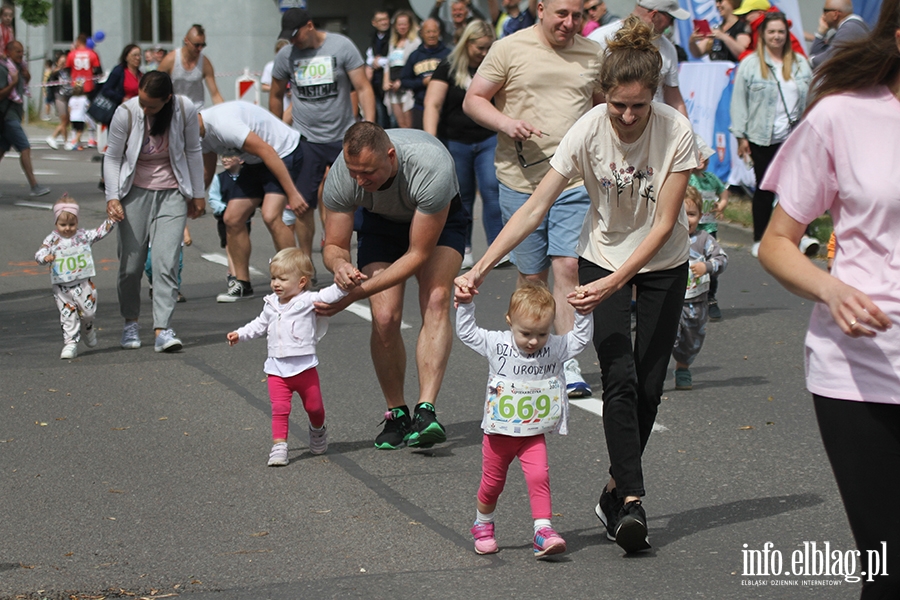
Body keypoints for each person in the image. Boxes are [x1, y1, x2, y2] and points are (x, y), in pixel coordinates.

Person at [456, 18, 698, 554]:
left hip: (660, 262)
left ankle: (613, 488)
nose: (628, 117)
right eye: (618, 106)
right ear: (603, 96)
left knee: (651, 385)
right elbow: (535, 205)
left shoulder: (675, 131)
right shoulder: (588, 129)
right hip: (600, 257)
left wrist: (618, 281)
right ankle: (633, 501)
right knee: (619, 377)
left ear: (652, 97)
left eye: (638, 106)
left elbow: (663, 226)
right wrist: (480, 266)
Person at [758, 1, 900, 595]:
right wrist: (831, 286)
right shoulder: (841, 116)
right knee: (889, 569)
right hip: (862, 368)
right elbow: (776, 243)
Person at [463, 0, 602, 399]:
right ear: (541, 9)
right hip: (520, 180)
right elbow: (474, 99)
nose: (570, 23)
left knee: (568, 265)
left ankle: (567, 357)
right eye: (562, 14)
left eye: (577, 15)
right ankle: (530, 350)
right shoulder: (509, 48)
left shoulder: (593, 54)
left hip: (572, 181)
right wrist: (507, 123)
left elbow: (600, 110)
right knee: (530, 275)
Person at [317, 122, 467, 450]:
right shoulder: (344, 173)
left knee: (437, 298)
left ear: (391, 156)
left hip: (436, 222)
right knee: (384, 316)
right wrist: (340, 264)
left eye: (368, 172)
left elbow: (417, 255)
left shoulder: (430, 165)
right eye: (354, 172)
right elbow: (333, 245)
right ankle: (396, 413)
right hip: (381, 225)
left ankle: (426, 411)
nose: (359, 180)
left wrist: (352, 295)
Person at [456, 282, 592, 557]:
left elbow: (580, 339)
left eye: (542, 333)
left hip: (532, 433)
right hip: (498, 435)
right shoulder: (497, 344)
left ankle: (543, 530)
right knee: (493, 484)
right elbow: (467, 333)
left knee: (539, 475)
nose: (534, 341)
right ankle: (483, 524)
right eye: (526, 333)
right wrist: (466, 305)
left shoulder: (554, 347)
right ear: (509, 322)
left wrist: (583, 313)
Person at [103, 71, 205, 353]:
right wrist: (112, 197)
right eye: (142, 102)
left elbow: (194, 151)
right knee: (131, 266)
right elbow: (112, 157)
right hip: (134, 191)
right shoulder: (126, 113)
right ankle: (130, 323)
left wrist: (198, 194)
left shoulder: (184, 109)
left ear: (167, 99)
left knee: (166, 261)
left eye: (151, 105)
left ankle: (162, 329)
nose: (145, 109)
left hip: (172, 192)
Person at [270, 8, 376, 264]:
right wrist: (277, 130)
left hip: (343, 137)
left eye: (296, 35)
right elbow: (274, 94)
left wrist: (370, 127)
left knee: (357, 197)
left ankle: (355, 256)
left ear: (309, 26)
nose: (293, 41)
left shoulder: (341, 45)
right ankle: (307, 262)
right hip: (306, 140)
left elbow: (362, 87)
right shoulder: (286, 55)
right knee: (303, 204)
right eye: (289, 37)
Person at [228, 248, 352, 466]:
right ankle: (279, 446)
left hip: (305, 368)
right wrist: (240, 334)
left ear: (301, 282)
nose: (276, 283)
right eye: (273, 278)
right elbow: (259, 325)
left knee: (314, 407)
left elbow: (331, 294)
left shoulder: (308, 301)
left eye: (282, 279)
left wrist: (346, 283)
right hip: (276, 368)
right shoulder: (271, 304)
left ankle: (317, 430)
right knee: (279, 409)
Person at [198, 101, 306, 303]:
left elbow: (268, 151)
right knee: (232, 217)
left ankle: (297, 280)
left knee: (271, 215)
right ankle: (242, 283)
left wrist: (292, 193)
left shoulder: (223, 125)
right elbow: (208, 168)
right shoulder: (199, 133)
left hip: (283, 152)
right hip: (256, 161)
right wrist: (197, 199)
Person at [730, 11, 812, 258]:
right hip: (761, 136)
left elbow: (810, 101)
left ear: (787, 35)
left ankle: (797, 236)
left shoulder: (799, 63)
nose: (777, 37)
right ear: (763, 35)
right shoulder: (751, 65)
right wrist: (741, 136)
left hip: (792, 137)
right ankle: (760, 237)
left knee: (794, 190)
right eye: (772, 32)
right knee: (765, 188)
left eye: (781, 32)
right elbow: (739, 102)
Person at [424, 20, 502, 271]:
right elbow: (432, 105)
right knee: (463, 195)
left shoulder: (492, 67)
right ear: (467, 43)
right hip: (455, 140)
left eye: (488, 48)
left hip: (488, 138)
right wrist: (431, 141)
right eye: (480, 47)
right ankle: (464, 247)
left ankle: (496, 247)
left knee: (492, 189)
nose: (483, 53)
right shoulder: (447, 66)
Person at [34, 195, 115, 359]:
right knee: (68, 316)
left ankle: (88, 328)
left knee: (88, 313)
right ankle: (70, 343)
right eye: (63, 224)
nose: (68, 228)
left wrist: (111, 220)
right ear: (56, 223)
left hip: (84, 283)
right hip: (62, 287)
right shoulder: (52, 240)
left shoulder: (83, 236)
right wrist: (45, 258)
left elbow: (99, 232)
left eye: (72, 224)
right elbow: (40, 253)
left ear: (77, 222)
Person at [588, 0, 690, 118]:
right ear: (654, 15)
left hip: (653, 131)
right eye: (671, 19)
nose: (671, 25)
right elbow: (588, 89)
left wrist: (688, 132)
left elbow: (674, 99)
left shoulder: (668, 48)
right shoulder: (599, 39)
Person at [672, 187, 728, 390]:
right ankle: (654, 371)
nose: (687, 220)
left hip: (696, 302)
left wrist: (707, 266)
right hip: (670, 300)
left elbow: (722, 259)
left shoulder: (705, 240)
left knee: (692, 339)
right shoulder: (666, 238)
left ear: (701, 215)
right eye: (681, 214)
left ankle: (683, 368)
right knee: (667, 335)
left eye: (692, 214)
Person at [0, 41, 51, 197]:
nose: (20, 54)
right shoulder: (4, 70)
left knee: (1, 150)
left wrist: (25, 78)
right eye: (17, 51)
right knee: (25, 147)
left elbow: (22, 87)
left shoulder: (18, 68)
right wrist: (14, 82)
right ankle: (34, 185)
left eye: (22, 52)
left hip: (12, 114)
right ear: (8, 52)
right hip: (7, 116)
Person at [689, 138, 729, 321]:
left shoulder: (711, 179)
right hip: (687, 227)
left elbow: (723, 191)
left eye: (704, 156)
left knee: (710, 260)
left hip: (708, 227)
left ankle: (710, 298)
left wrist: (722, 204)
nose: (702, 159)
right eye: (698, 155)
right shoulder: (686, 177)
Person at [158, 24, 225, 108]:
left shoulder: (205, 63)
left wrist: (224, 111)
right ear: (186, 40)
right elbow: (156, 85)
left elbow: (215, 94)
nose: (200, 48)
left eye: (202, 45)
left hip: (196, 110)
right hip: (175, 109)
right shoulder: (171, 60)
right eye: (197, 45)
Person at [400, 19, 449, 130]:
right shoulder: (415, 55)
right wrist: (422, 82)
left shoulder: (448, 54)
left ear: (439, 32)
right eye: (428, 32)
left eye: (434, 31)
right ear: (422, 33)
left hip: (445, 108)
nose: (431, 35)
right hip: (420, 107)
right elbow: (404, 81)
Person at [384, 10, 420, 129]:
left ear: (409, 25)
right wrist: (386, 81)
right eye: (399, 24)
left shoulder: (415, 42)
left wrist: (402, 81)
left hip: (406, 88)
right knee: (400, 125)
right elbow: (388, 64)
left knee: (409, 125)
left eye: (405, 24)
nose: (402, 27)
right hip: (393, 89)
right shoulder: (392, 43)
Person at [810, 0, 869, 69]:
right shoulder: (847, 29)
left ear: (835, 14)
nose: (823, 15)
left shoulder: (850, 28)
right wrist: (821, 33)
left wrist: (810, 61)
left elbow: (829, 59)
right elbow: (817, 54)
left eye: (825, 11)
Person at [365, 9, 393, 129]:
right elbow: (368, 57)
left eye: (385, 19)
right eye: (380, 20)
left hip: (390, 81)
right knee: (380, 115)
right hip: (375, 83)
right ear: (374, 22)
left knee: (392, 117)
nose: (384, 23)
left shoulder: (393, 36)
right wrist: (373, 62)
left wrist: (379, 61)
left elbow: (394, 57)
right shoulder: (373, 37)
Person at [46, 53, 71, 150]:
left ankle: (60, 139)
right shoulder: (55, 73)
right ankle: (58, 138)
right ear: (57, 63)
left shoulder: (68, 71)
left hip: (68, 96)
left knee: (67, 121)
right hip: (59, 97)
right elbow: (50, 84)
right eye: (61, 62)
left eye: (65, 62)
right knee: (64, 120)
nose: (63, 64)